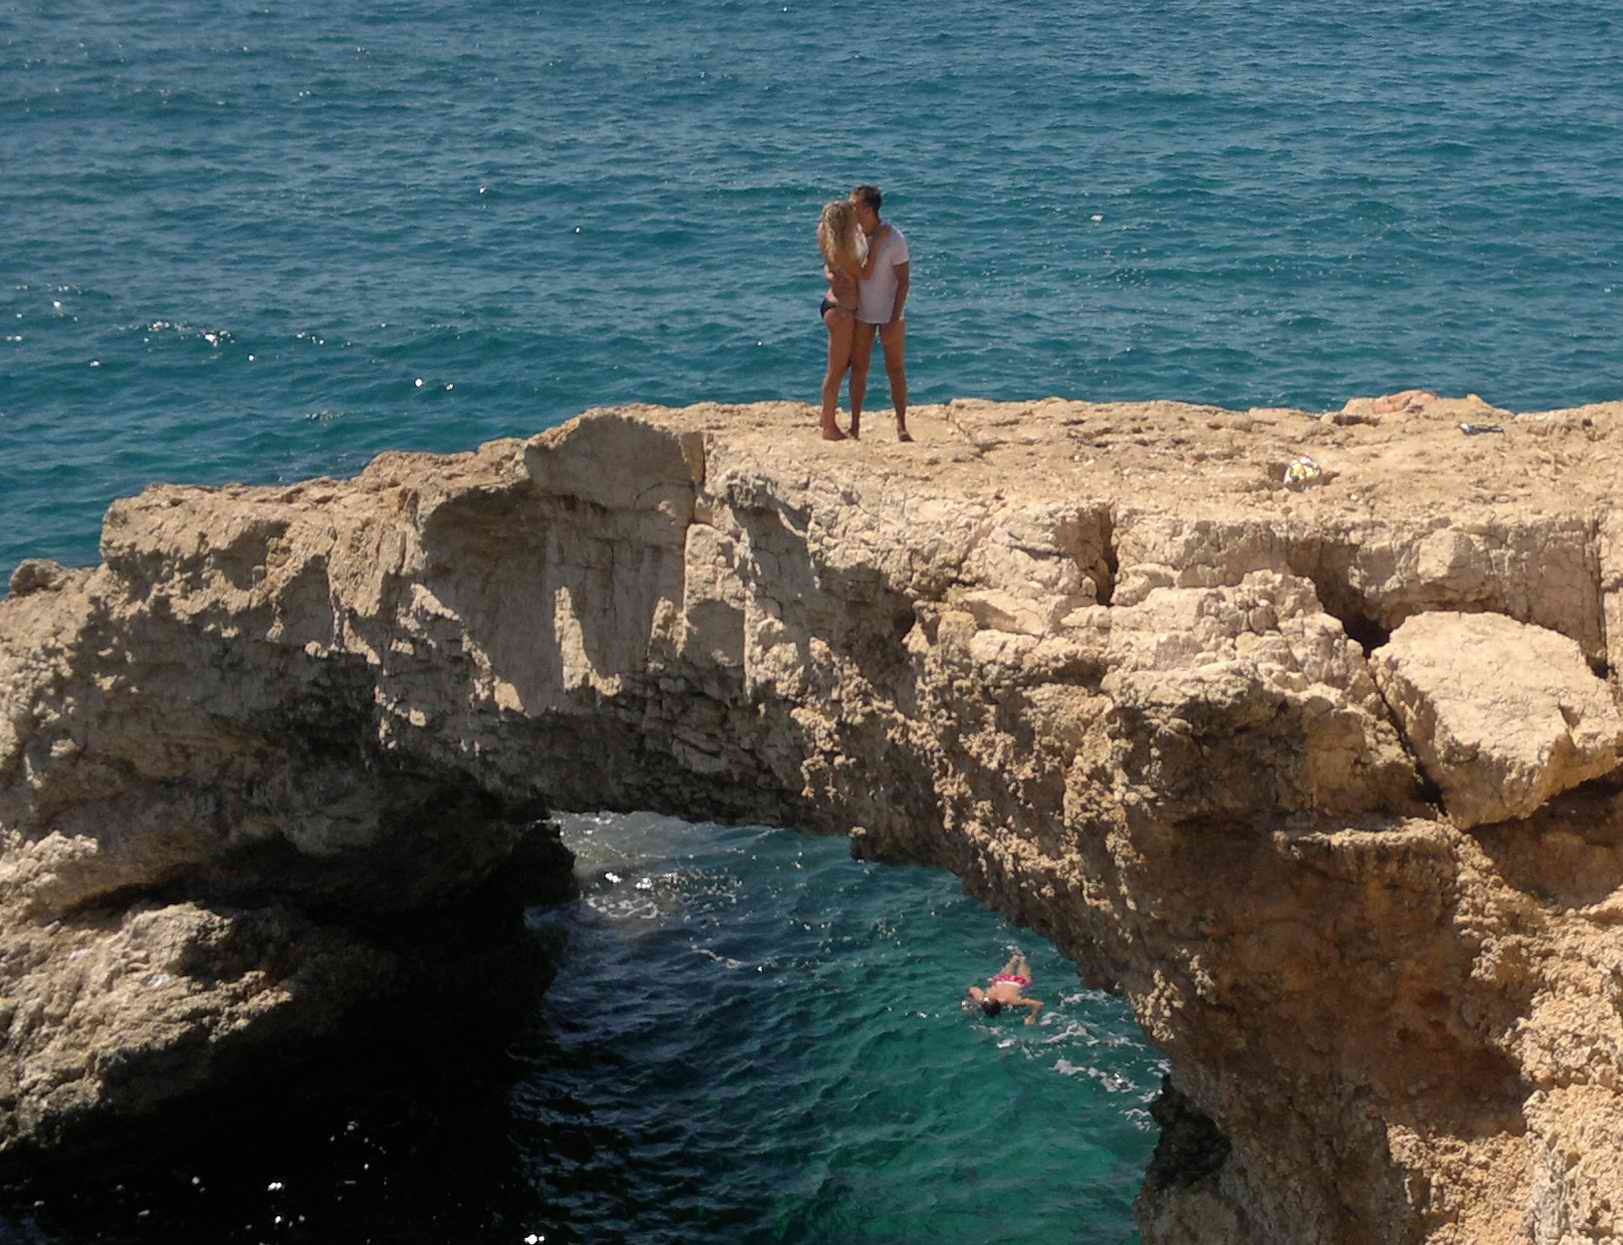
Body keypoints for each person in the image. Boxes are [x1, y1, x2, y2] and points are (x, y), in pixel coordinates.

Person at [847, 184, 911, 443]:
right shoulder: (855, 236)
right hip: (862, 313)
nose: (850, 210)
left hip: (889, 314)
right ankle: (854, 425)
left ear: (867, 209)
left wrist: (894, 318)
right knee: (858, 369)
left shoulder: (895, 238)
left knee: (895, 369)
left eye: (853, 206)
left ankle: (901, 426)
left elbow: (903, 281)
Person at [815, 200, 877, 441]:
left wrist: (831, 274)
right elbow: (864, 275)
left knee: (838, 367)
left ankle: (825, 416)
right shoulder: (846, 252)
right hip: (842, 311)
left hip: (833, 304)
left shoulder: (827, 239)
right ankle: (829, 428)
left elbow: (829, 267)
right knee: (836, 370)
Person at [966, 952, 1044, 1025]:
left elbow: (1039, 1004)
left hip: (1018, 982)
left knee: (1022, 961)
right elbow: (972, 989)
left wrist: (1032, 1017)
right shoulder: (983, 998)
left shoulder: (1011, 1001)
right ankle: (1017, 957)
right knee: (1018, 960)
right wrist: (970, 1003)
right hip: (1002, 980)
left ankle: (1020, 958)